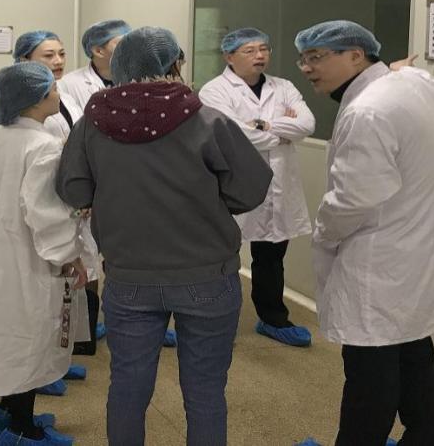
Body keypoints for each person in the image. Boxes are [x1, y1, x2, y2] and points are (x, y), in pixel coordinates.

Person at [56, 27, 273, 446]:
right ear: (174, 64)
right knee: (205, 390)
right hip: (207, 276)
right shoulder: (207, 119)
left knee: (128, 386)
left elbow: (74, 190)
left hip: (129, 277)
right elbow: (249, 189)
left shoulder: (91, 125)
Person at [291, 21, 434, 446]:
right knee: (416, 362)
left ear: (356, 56)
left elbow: (352, 200)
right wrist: (395, 69)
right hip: (416, 256)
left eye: (317, 57)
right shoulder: (412, 86)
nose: (307, 68)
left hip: (378, 265)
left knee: (370, 382)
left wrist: (323, 233)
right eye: (303, 59)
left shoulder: (367, 111)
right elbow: (418, 76)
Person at [0, 61, 88, 446]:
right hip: (32, 256)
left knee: (9, 332)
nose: (59, 94)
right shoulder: (43, 146)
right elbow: (45, 214)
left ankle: (7, 412)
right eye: (53, 89)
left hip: (0, 252)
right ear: (36, 99)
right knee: (32, 335)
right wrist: (70, 254)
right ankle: (22, 429)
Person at [199, 28, 316, 347]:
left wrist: (264, 126)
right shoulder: (214, 91)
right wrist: (282, 133)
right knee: (222, 253)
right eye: (249, 50)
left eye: (264, 49)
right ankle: (212, 319)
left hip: (278, 184)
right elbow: (232, 133)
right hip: (234, 184)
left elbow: (307, 124)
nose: (260, 56)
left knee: (272, 255)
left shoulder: (284, 86)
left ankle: (273, 318)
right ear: (229, 57)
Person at [14, 31, 96, 387]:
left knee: (66, 293)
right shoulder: (25, 110)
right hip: (47, 209)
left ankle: (57, 360)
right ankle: (40, 370)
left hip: (70, 203)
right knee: (43, 297)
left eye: (61, 53)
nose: (58, 61)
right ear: (24, 61)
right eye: (48, 55)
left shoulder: (65, 98)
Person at [50, 19, 131, 346]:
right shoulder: (70, 85)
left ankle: (126, 316)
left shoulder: (134, 78)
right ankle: (87, 324)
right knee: (87, 254)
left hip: (127, 175)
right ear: (97, 50)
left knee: (124, 251)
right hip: (91, 177)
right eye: (120, 42)